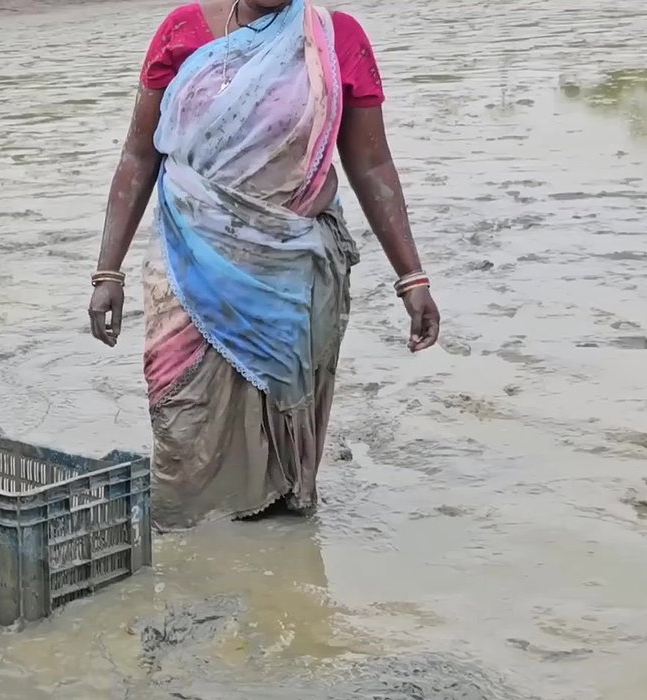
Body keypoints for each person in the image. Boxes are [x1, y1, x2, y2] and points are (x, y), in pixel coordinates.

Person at [87, 0, 441, 530]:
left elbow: (371, 163)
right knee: (182, 426)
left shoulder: (335, 39)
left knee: (283, 443)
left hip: (294, 272)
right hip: (189, 268)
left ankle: (279, 578)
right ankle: (187, 542)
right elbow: (140, 155)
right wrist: (106, 272)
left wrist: (411, 277)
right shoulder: (182, 31)